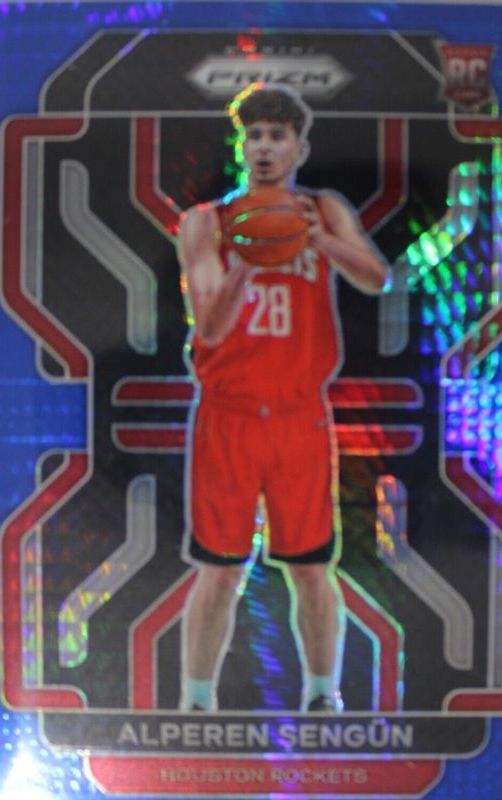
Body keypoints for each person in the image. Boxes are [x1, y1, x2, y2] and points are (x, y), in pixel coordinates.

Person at [177, 83, 389, 713]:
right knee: (219, 570)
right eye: (254, 137)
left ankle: (324, 695)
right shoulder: (206, 222)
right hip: (229, 416)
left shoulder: (323, 209)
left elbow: (377, 277)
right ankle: (196, 701)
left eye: (278, 136)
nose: (265, 147)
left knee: (311, 566)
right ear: (241, 148)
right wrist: (248, 259)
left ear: (299, 148)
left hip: (299, 417)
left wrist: (315, 241)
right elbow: (210, 325)